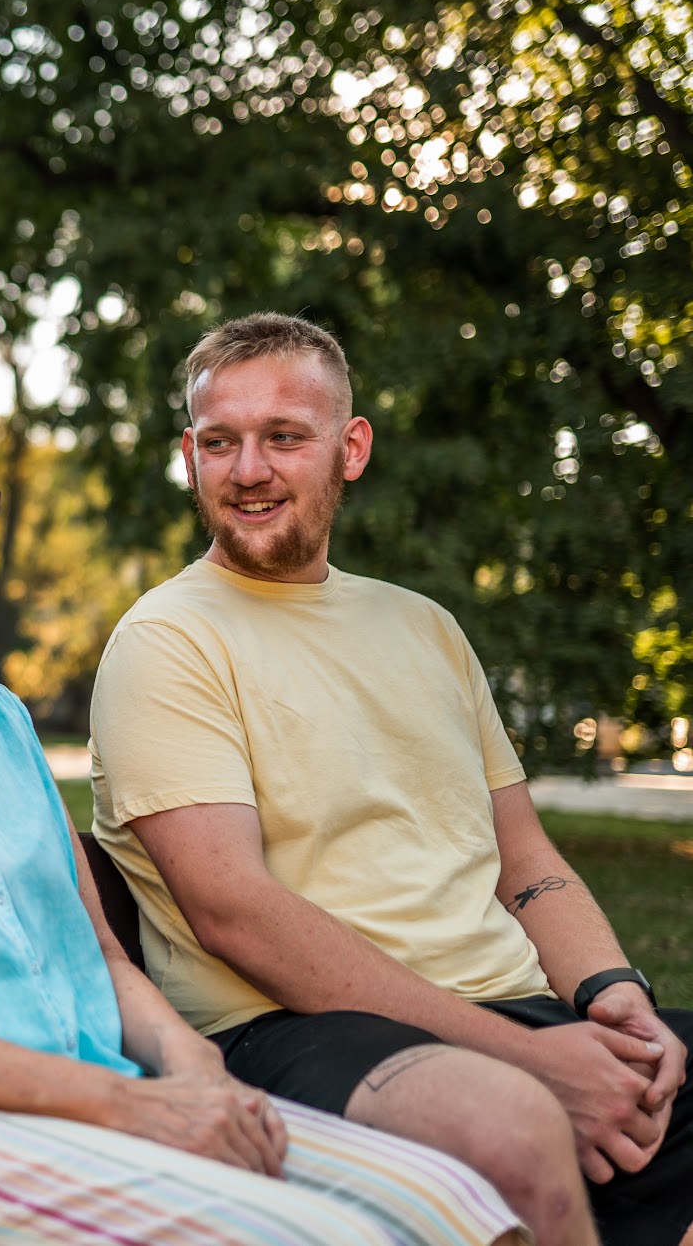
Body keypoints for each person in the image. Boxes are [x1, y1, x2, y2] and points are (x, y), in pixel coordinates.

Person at [0, 385, 524, 1246]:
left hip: (78, 1111)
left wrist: (194, 1069)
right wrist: (133, 1104)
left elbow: (94, 953)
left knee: (452, 1207)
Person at [88, 312, 693, 1246]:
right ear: (189, 455)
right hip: (287, 1029)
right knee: (506, 1123)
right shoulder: (167, 641)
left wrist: (614, 999)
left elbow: (523, 857)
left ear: (350, 447)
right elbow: (232, 911)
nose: (248, 469)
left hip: (513, 1005)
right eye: (220, 442)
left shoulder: (425, 628)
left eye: (283, 436)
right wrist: (537, 1060)